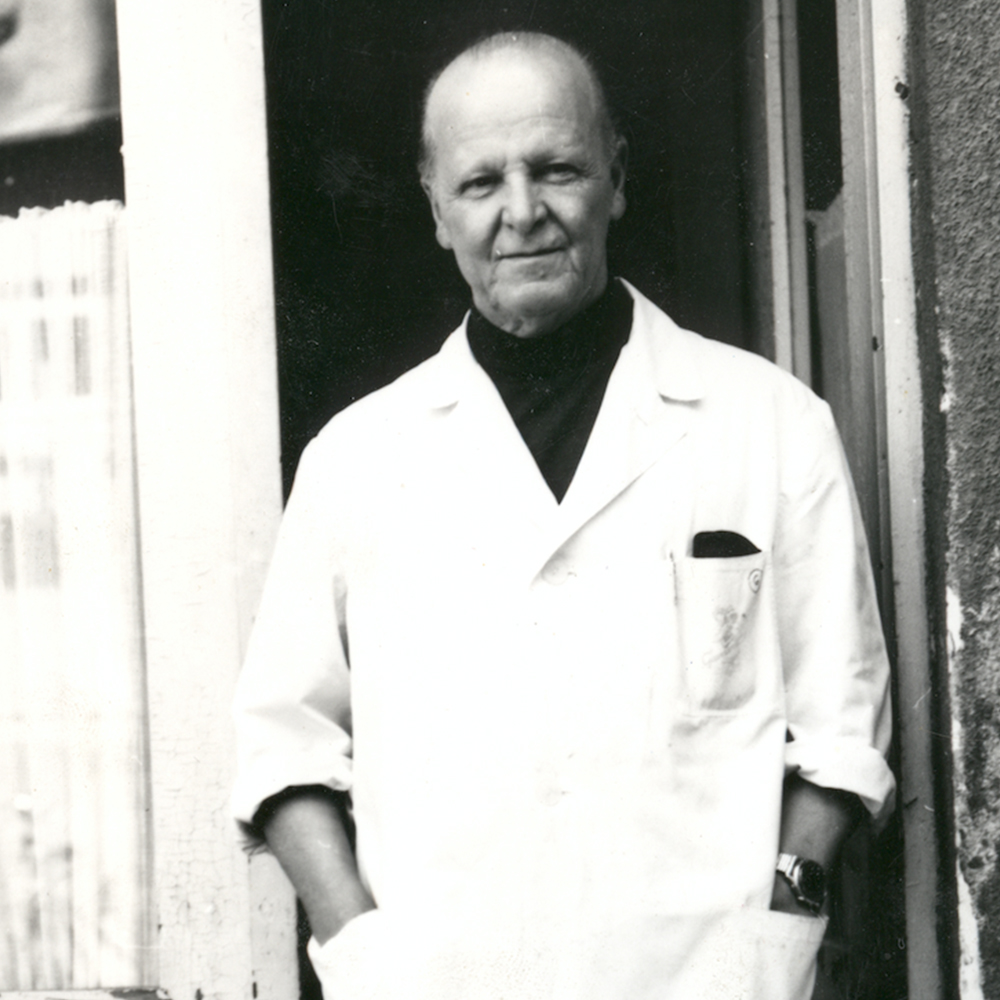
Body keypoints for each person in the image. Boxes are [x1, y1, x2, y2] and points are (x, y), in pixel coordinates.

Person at [232, 31, 894, 1000]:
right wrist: (365, 950)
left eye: (556, 168)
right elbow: (283, 745)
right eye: (481, 182)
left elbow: (840, 729)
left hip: (702, 982)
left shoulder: (770, 423)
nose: (522, 211)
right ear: (436, 210)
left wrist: (771, 937)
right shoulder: (356, 458)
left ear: (614, 179)